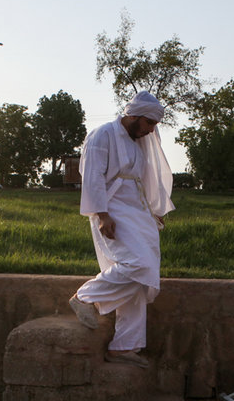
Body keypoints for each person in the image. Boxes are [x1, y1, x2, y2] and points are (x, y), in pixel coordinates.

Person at [68, 91, 175, 368]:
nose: (151, 130)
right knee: (136, 263)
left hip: (138, 212)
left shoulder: (139, 142)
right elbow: (91, 176)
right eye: (149, 123)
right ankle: (84, 297)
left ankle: (124, 346)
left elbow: (143, 181)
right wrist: (102, 214)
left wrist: (153, 212)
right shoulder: (101, 135)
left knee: (144, 277)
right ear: (135, 116)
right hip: (112, 210)